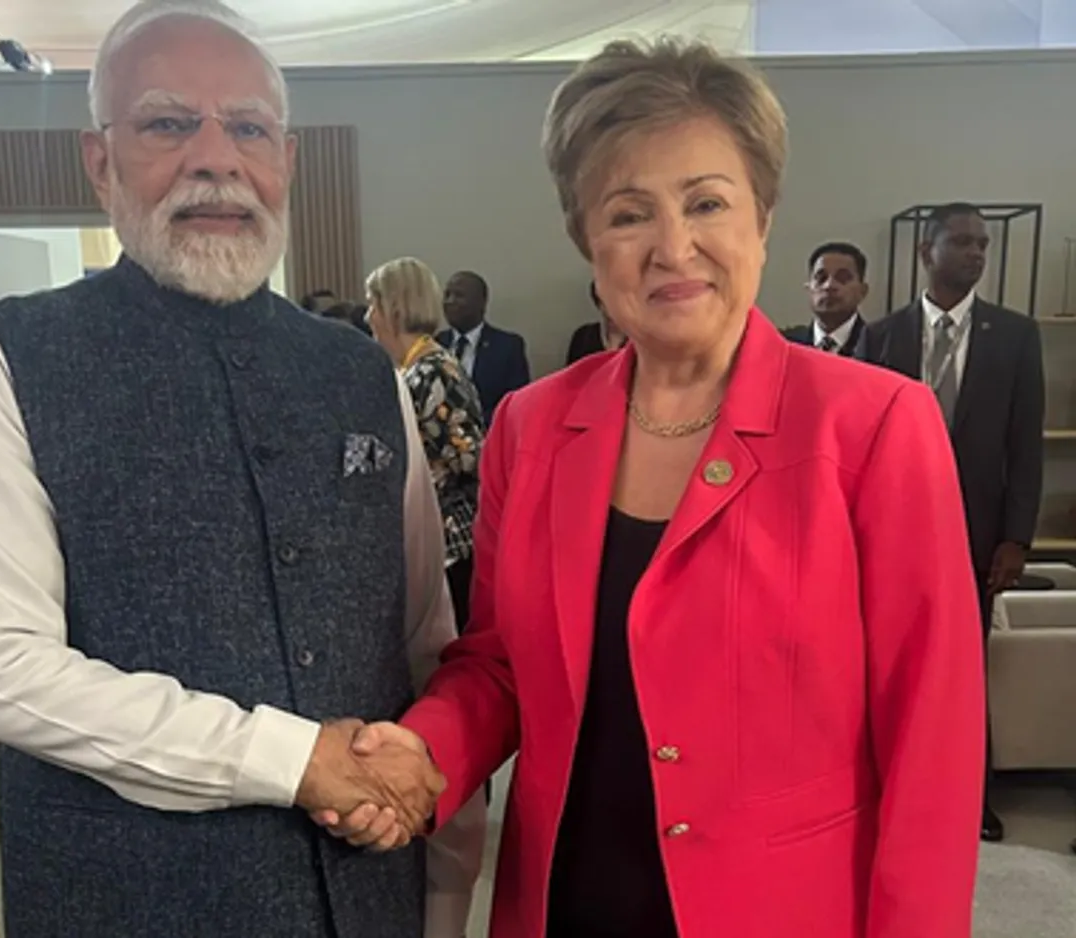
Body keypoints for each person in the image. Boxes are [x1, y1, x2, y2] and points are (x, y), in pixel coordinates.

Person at [320, 39, 985, 938]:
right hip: (568, 901)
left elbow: (933, 741)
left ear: (763, 217)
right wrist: (422, 752)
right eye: (630, 214)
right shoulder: (530, 424)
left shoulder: (875, 426)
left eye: (707, 201)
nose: (674, 247)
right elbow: (503, 664)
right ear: (587, 239)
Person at [0, 2, 480, 936]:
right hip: (128, 896)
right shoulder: (7, 356)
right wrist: (290, 757)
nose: (216, 158)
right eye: (169, 122)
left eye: (250, 128)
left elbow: (421, 633)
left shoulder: (358, 369)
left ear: (286, 161)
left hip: (364, 891)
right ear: (101, 162)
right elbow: (1, 667)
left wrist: (442, 868)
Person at [859, 201, 1045, 844]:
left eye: (983, 245)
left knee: (962, 671)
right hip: (888, 534)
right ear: (925, 251)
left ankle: (971, 798)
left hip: (976, 535)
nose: (975, 254)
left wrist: (1017, 537)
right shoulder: (881, 336)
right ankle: (884, 788)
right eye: (962, 242)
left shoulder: (1017, 336)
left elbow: (1026, 443)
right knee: (882, 666)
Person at [366, 257, 485, 633]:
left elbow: (472, 461)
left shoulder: (433, 371)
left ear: (395, 307)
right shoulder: (413, 369)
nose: (368, 317)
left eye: (373, 304)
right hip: (432, 543)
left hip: (451, 547)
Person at [437, 270, 530, 424]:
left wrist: (470, 425)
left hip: (488, 435)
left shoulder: (507, 346)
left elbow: (516, 402)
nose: (450, 301)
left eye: (459, 295)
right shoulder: (435, 344)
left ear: (481, 302)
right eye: (447, 295)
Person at [783, 241, 869, 355]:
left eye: (842, 278)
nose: (829, 286)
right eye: (821, 278)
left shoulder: (880, 347)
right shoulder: (786, 344)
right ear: (809, 288)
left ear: (862, 291)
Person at [566, 281, 628, 364]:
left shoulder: (640, 340)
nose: (608, 309)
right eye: (602, 302)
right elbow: (572, 375)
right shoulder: (583, 337)